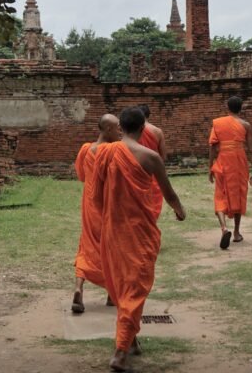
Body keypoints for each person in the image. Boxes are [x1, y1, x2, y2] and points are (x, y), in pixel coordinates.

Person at [94, 107, 186, 372]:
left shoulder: (105, 153)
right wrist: (180, 210)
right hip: (138, 230)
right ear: (143, 128)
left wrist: (108, 216)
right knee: (135, 287)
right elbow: (168, 193)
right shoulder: (150, 156)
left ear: (120, 128)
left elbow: (96, 194)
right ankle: (120, 352)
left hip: (113, 229)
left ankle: (130, 339)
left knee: (122, 285)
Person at [72, 114, 122, 314]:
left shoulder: (86, 149)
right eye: (118, 127)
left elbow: (81, 176)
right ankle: (111, 293)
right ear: (108, 129)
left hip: (89, 205)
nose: (120, 131)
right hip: (107, 204)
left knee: (87, 246)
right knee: (111, 249)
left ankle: (78, 287)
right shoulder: (113, 150)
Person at [208, 96, 252, 249]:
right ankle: (236, 233)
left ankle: (224, 228)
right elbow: (250, 150)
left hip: (223, 161)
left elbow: (212, 148)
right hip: (239, 162)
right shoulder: (246, 125)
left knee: (220, 194)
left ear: (227, 107)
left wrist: (210, 167)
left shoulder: (218, 123)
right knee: (238, 194)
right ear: (241, 108)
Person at [137, 104, 167, 220]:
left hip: (137, 171)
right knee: (153, 205)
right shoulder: (157, 131)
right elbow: (163, 156)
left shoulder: (132, 132)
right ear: (149, 115)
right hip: (153, 171)